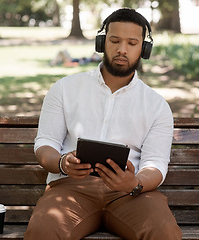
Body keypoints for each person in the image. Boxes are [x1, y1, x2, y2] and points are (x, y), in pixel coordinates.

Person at [24, 8, 182, 240]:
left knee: (164, 234)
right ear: (101, 42)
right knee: (43, 232)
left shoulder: (157, 105)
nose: (122, 49)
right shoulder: (65, 89)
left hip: (132, 194)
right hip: (70, 188)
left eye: (132, 43)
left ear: (144, 49)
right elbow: (45, 144)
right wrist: (61, 163)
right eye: (115, 40)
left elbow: (155, 164)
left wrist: (135, 182)